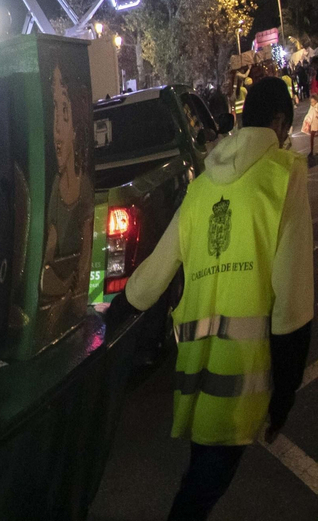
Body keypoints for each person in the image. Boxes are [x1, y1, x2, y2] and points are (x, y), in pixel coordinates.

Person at [113, 77, 314, 521]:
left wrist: (118, 310)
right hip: (245, 382)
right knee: (197, 496)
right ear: (280, 122)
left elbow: (152, 277)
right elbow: (292, 308)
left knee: (198, 482)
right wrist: (284, 396)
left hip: (196, 374)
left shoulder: (202, 188)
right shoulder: (285, 178)